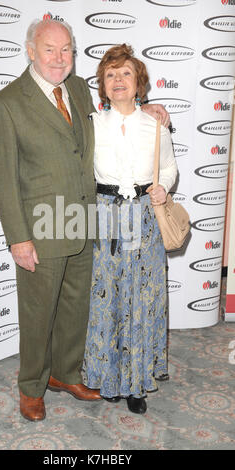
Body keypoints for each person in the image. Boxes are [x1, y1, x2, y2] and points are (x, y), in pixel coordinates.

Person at [0, 19, 170, 421]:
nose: (59, 57)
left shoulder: (78, 88)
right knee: (38, 312)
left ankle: (66, 374)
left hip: (87, 221)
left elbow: (114, 119)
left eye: (66, 49)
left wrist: (150, 109)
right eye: (50, 49)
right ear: (31, 51)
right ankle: (31, 386)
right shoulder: (7, 103)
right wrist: (19, 238)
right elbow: (2, 177)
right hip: (42, 224)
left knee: (75, 307)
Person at [83, 44, 178, 415]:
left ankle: (137, 382)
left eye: (125, 74)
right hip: (105, 215)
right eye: (110, 75)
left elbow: (169, 167)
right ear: (102, 86)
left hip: (144, 217)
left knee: (141, 299)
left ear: (139, 83)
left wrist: (162, 187)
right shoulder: (91, 124)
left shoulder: (154, 124)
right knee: (107, 299)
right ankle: (108, 377)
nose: (118, 80)